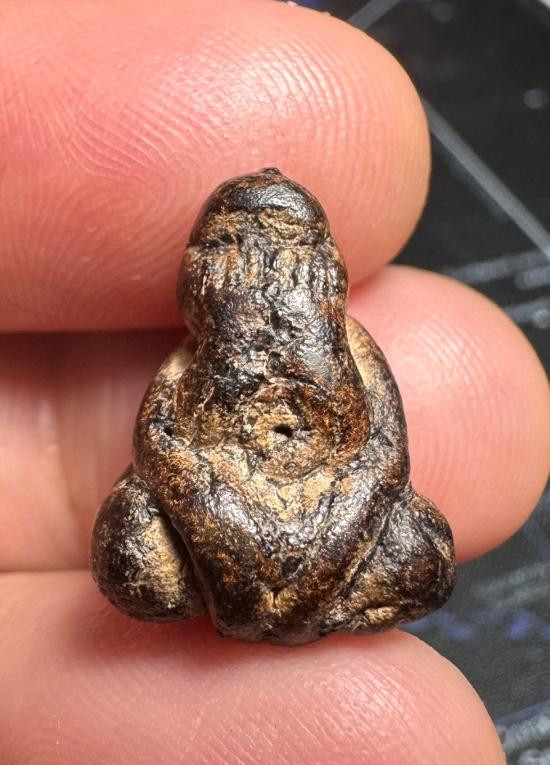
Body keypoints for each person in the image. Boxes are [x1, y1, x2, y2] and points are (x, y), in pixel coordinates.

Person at [0, 1, 548, 762]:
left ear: (325, 262)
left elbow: (386, 452)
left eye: (287, 242)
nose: (256, 259)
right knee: (132, 550)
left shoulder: (351, 344)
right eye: (227, 243)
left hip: (341, 508)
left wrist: (335, 527)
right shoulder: (190, 357)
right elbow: (160, 445)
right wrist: (218, 520)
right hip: (209, 505)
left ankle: (299, 595)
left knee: (422, 555)